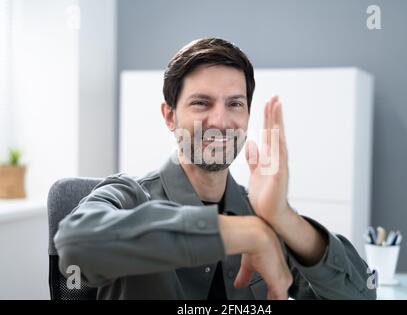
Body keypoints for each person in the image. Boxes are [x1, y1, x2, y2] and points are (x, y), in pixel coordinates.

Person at [54, 37, 376, 300]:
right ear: (170, 116)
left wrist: (284, 219)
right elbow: (75, 245)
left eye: (235, 104)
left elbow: (362, 295)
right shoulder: (129, 195)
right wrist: (243, 235)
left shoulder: (261, 215)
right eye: (201, 103)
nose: (221, 122)